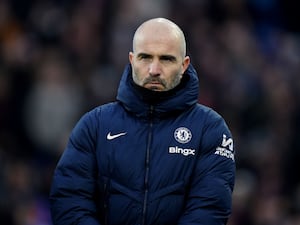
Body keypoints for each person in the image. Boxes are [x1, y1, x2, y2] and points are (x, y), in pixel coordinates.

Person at [49, 17, 236, 225]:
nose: (154, 69)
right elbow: (70, 200)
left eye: (166, 59)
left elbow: (209, 209)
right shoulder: (95, 125)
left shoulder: (210, 129)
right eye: (145, 57)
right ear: (131, 59)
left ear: (184, 65)